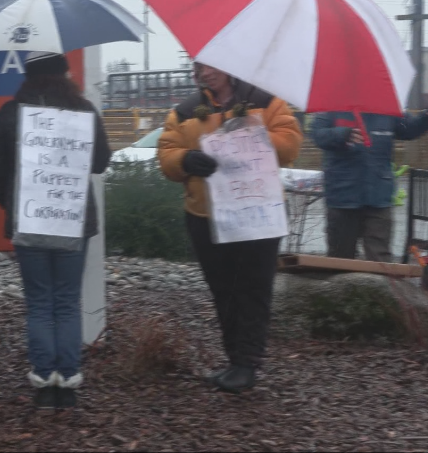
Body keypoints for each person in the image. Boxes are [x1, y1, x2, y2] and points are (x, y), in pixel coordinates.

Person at [157, 62, 302, 393]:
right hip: (206, 217)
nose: (206, 73)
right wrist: (185, 161)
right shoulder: (186, 110)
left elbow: (291, 144)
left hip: (258, 214)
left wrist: (252, 136)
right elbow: (166, 154)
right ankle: (235, 359)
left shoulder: (268, 102)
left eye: (213, 66)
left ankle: (246, 364)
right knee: (224, 290)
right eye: (200, 67)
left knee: (253, 289)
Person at [0, 52, 112, 411]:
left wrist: (11, 204)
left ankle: (43, 382)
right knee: (67, 301)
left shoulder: (11, 112)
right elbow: (101, 161)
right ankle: (67, 383)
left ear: (27, 77)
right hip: (73, 219)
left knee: (40, 302)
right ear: (65, 75)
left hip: (30, 218)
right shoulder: (83, 110)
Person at [310, 110, 428, 262]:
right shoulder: (332, 107)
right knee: (340, 260)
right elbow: (318, 134)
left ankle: (381, 284)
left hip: (379, 197)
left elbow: (409, 129)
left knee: (379, 260)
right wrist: (342, 134)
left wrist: (425, 117)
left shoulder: (386, 107)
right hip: (342, 197)